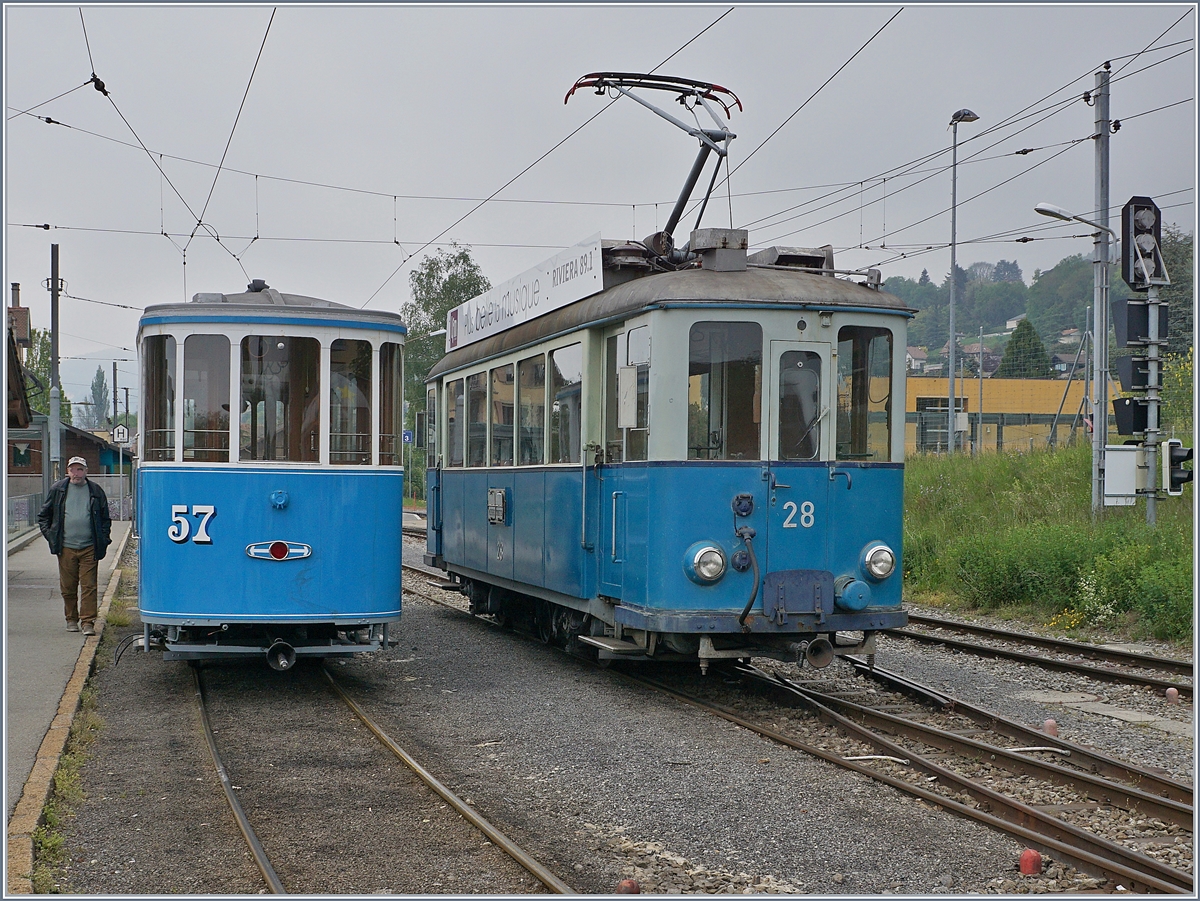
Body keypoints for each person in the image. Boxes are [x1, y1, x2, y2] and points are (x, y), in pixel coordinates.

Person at [37, 456, 112, 635]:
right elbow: (43, 516)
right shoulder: (58, 490)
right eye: (73, 469)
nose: (76, 473)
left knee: (89, 586)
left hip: (89, 547)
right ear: (67, 471)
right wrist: (52, 537)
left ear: (86, 471)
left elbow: (105, 519)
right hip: (66, 547)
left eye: (80, 469)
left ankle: (87, 622)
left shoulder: (95, 491)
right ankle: (71, 619)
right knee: (68, 586)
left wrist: (104, 539)